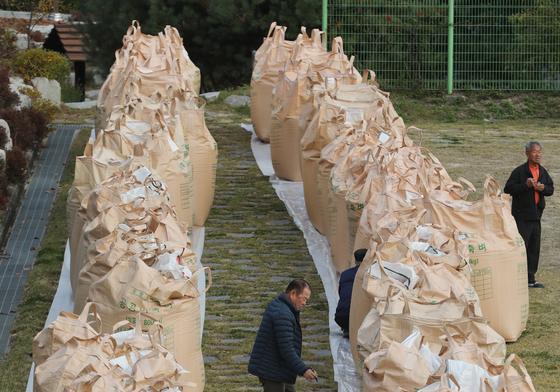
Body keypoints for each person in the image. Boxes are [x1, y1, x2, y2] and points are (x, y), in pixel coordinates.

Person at [248, 279, 318, 391]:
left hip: (278, 368)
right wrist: (303, 370)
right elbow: (287, 349)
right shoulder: (283, 314)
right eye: (304, 299)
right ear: (293, 293)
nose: (305, 303)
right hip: (272, 371)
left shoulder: (282, 306)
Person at [504, 141, 554, 288]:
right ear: (527, 153)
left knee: (534, 247)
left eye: (539, 152)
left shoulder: (542, 171)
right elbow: (508, 189)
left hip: (536, 216)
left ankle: (530, 279)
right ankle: (516, 278)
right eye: (534, 152)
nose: (538, 154)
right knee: (521, 248)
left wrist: (542, 187)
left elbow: (550, 189)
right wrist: (525, 185)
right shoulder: (520, 171)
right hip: (521, 216)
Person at [335, 248, 368, 337]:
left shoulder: (345, 274)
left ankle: (347, 328)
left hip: (340, 317)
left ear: (355, 260)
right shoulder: (369, 275)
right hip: (357, 319)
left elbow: (341, 293)